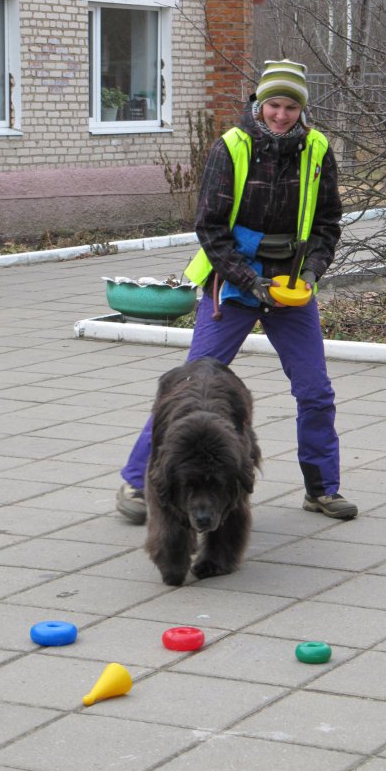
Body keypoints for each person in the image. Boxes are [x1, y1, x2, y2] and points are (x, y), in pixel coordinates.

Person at [116, 58, 358, 525]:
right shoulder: (231, 147)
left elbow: (328, 223)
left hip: (290, 286)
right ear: (259, 103)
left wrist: (310, 273)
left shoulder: (318, 149)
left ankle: (322, 489)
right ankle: (136, 481)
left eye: (291, 106)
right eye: (274, 105)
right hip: (231, 282)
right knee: (189, 388)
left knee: (315, 391)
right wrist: (251, 282)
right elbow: (209, 225)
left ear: (302, 110)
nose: (281, 115)